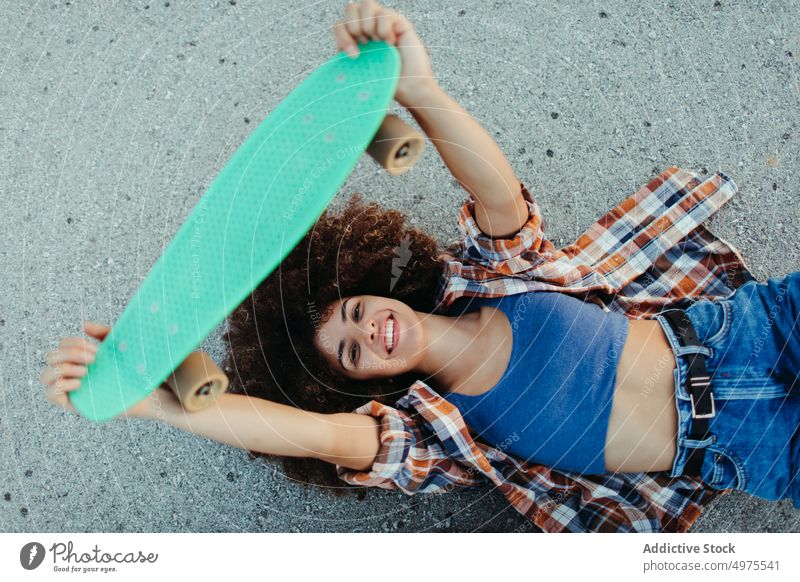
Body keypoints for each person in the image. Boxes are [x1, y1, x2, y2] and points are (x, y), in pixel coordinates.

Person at [40, 0, 799, 531]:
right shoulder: (438, 434)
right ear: (359, 384)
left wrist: (419, 90)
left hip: (751, 333)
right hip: (750, 442)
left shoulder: (492, 278)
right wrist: (148, 402)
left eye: (357, 313)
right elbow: (305, 436)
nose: (370, 332)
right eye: (350, 353)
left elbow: (495, 191)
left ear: (375, 291)